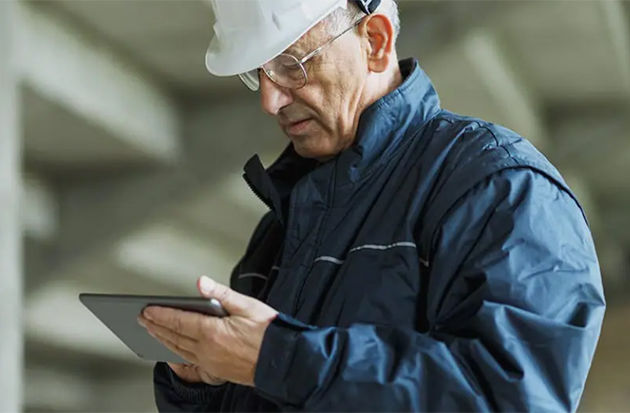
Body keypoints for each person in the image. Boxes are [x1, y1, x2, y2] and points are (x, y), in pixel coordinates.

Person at [137, 0, 606, 411]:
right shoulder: (283, 226)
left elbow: (512, 399)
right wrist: (200, 387)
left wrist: (279, 358)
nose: (269, 99)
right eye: (257, 72)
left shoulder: (499, 188)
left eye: (291, 65)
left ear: (375, 40)